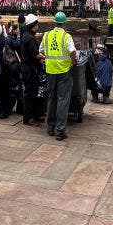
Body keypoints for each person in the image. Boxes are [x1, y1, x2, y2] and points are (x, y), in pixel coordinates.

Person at [40, 11, 77, 141]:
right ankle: (60, 130)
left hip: (50, 71)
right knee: (63, 100)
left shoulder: (46, 35)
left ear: (54, 22)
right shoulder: (66, 36)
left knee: (52, 98)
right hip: (63, 71)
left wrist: (50, 60)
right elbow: (72, 51)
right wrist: (73, 61)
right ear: (64, 23)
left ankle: (50, 128)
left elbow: (41, 51)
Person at [20, 14, 43, 126]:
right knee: (30, 93)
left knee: (32, 92)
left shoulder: (27, 35)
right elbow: (36, 55)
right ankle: (28, 118)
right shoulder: (29, 38)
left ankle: (34, 115)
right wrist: (45, 56)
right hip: (29, 69)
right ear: (34, 25)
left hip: (28, 68)